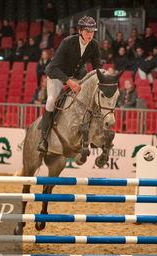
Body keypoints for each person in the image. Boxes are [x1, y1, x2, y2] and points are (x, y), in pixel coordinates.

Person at [37, 16, 101, 153]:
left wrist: (103, 78)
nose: (90, 35)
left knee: (91, 98)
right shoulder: (67, 42)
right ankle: (43, 139)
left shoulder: (94, 44)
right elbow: (53, 67)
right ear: (80, 31)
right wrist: (69, 82)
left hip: (77, 74)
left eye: (92, 32)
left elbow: (96, 68)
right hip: (57, 75)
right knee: (51, 101)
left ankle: (93, 135)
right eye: (87, 31)